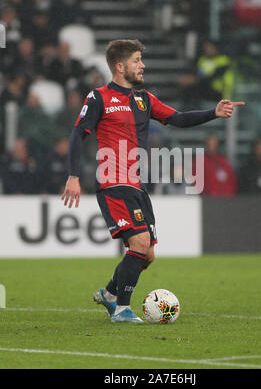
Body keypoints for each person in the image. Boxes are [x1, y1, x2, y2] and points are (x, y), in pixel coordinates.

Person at [61, 39, 245, 323]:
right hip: (112, 182)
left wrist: (214, 112)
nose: (142, 65)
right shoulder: (98, 97)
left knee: (147, 255)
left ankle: (110, 294)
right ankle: (121, 309)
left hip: (136, 183)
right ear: (120, 67)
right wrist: (73, 176)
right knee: (140, 242)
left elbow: (179, 119)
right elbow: (77, 135)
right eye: (136, 60)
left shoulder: (144, 99)